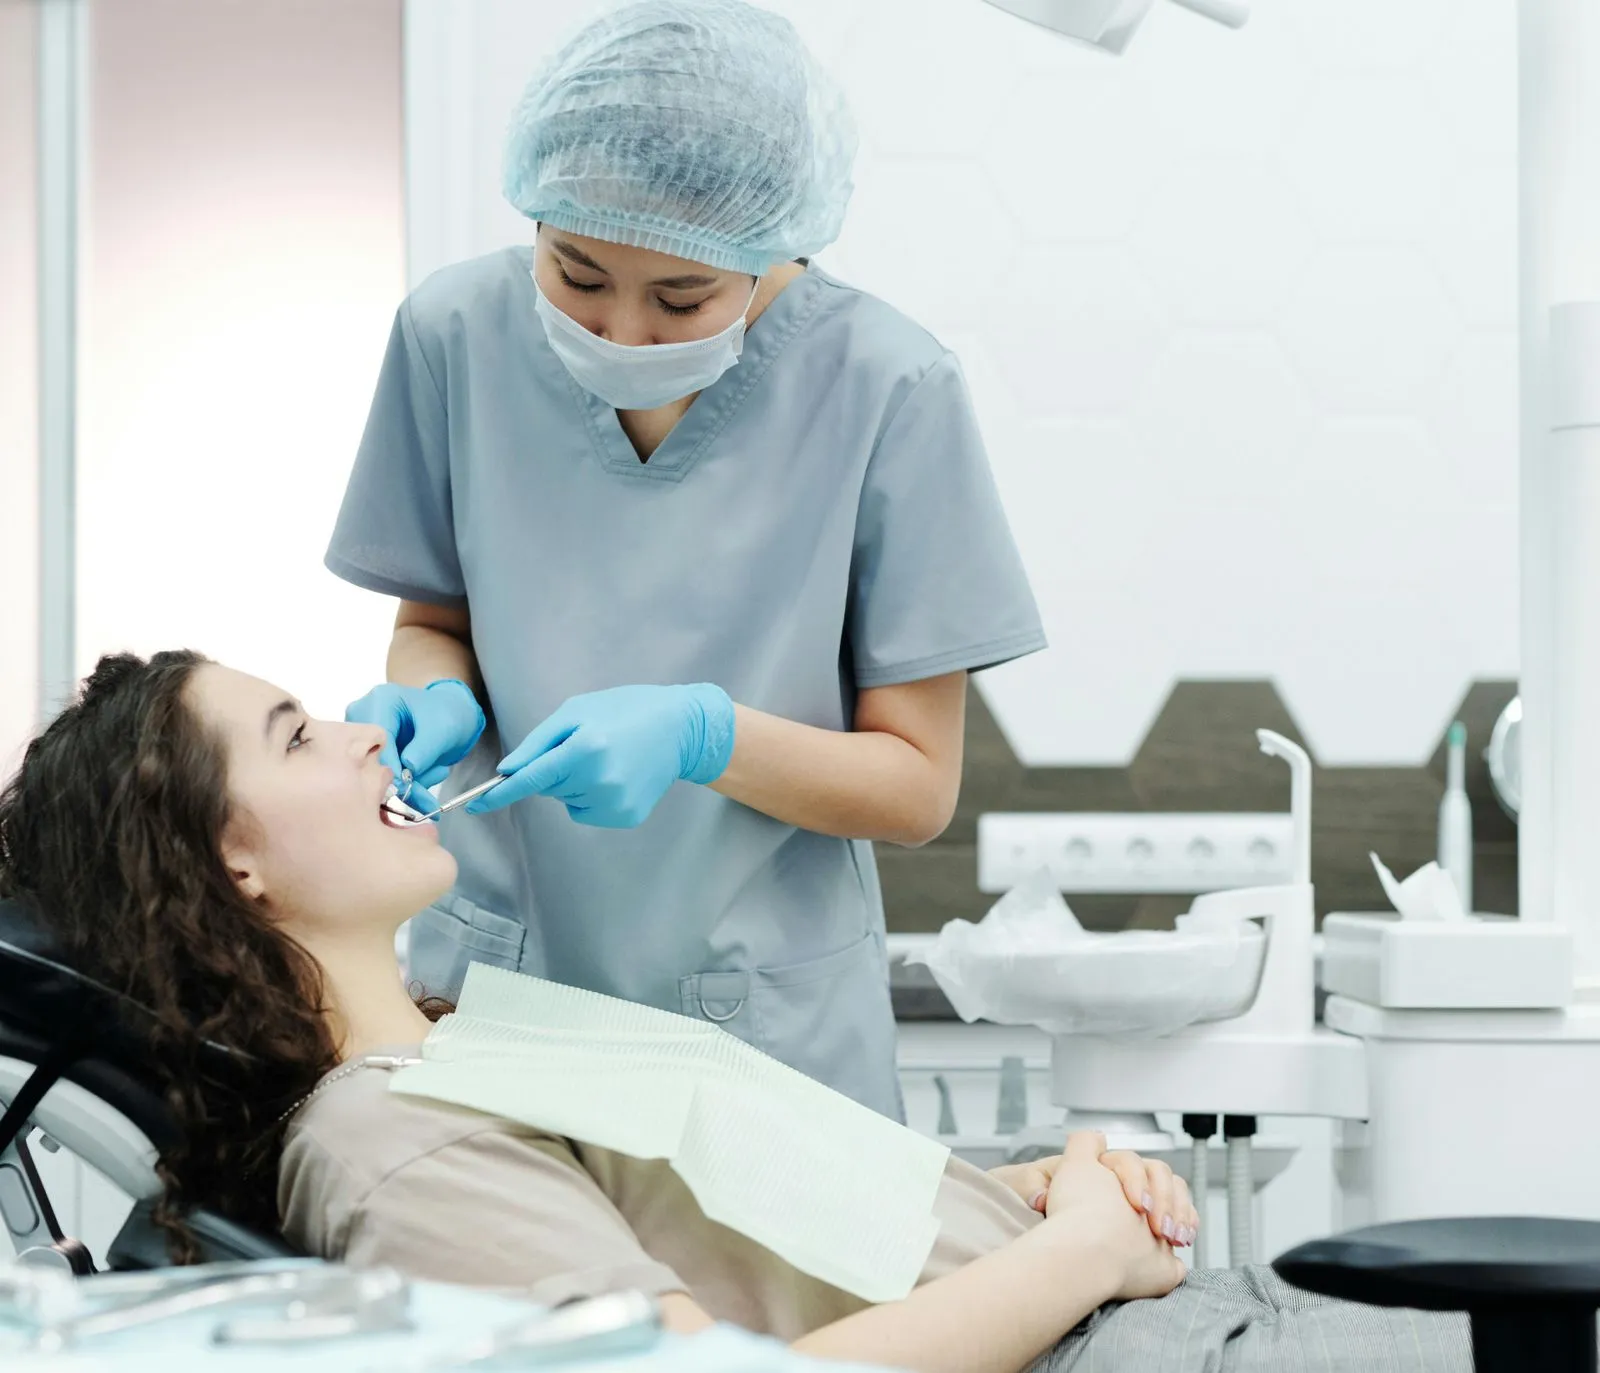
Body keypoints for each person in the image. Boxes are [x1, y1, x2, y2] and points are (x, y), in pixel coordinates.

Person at [0, 653, 1470, 1373]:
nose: (371, 726)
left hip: (1137, 1307)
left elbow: (753, 1235)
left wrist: (1019, 1185)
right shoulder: (389, 1138)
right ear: (230, 862)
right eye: (299, 734)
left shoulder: (455, 1042)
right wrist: (1079, 1252)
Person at [328, 0, 1048, 1119]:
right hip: (490, 1001)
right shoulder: (453, 336)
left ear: (774, 243)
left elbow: (914, 787)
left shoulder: (886, 388)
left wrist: (703, 737)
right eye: (573, 274)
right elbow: (436, 619)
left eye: (681, 297)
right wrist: (436, 695)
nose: (619, 334)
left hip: (761, 1037)